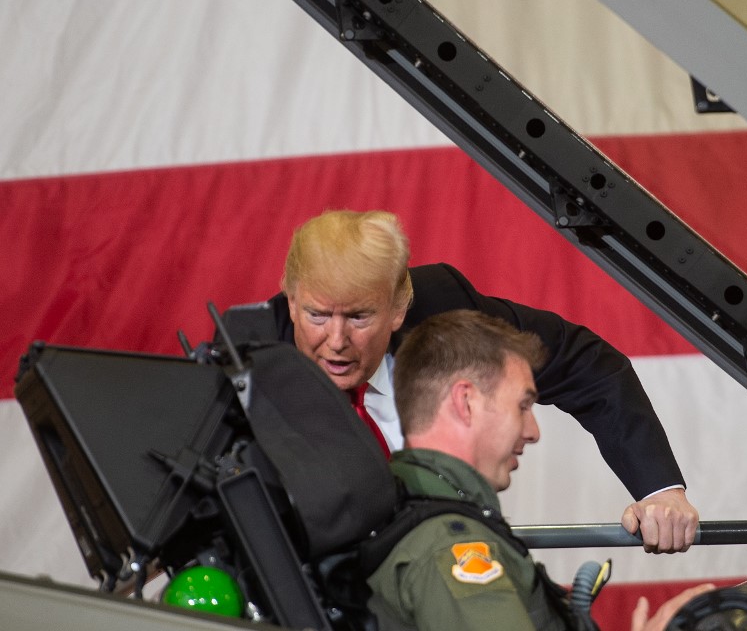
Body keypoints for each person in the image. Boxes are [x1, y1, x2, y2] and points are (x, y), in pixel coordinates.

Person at [266, 209, 698, 552]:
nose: (336, 341)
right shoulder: (249, 366)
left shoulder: (444, 310)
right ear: (291, 297)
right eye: (316, 315)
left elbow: (587, 365)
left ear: (400, 306)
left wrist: (660, 490)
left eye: (359, 316)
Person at [365, 309, 714, 630]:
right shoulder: (452, 549)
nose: (533, 431)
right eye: (522, 405)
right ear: (465, 401)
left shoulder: (408, 515)